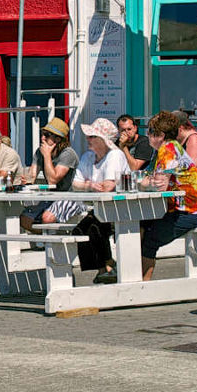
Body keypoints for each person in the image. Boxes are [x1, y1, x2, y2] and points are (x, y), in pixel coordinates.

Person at [137, 110, 197, 281]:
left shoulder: (167, 150)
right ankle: (134, 276)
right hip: (183, 208)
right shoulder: (170, 147)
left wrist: (143, 182)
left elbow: (158, 184)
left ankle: (142, 285)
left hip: (191, 212)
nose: (147, 136)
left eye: (150, 132)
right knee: (140, 225)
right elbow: (151, 177)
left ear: (160, 135)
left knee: (150, 239)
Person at [71, 117, 129, 280]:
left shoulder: (115, 156)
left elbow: (108, 186)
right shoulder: (88, 156)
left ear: (104, 140)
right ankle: (106, 266)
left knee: (94, 229)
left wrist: (86, 184)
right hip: (97, 208)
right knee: (80, 231)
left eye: (92, 136)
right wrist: (89, 186)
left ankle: (107, 267)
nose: (88, 139)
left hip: (120, 208)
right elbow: (75, 183)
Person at [19, 117, 80, 232]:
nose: (42, 138)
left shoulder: (68, 154)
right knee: (24, 219)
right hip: (51, 197)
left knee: (47, 218)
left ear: (57, 139)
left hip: (70, 198)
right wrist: (26, 180)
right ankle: (47, 240)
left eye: (47, 135)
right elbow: (31, 177)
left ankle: (53, 240)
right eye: (42, 134)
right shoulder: (40, 152)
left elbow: (53, 180)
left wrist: (47, 156)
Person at [174, 110, 197, 199]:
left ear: (180, 128)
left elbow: (190, 167)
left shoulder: (193, 139)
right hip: (184, 186)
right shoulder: (179, 140)